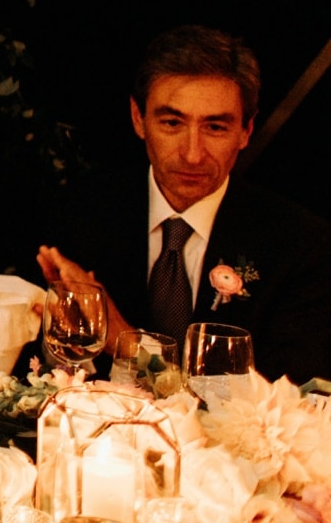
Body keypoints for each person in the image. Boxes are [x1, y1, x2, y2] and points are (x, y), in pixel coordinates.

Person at [37, 24, 331, 384]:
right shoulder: (79, 215)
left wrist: (127, 342)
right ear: (137, 118)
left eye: (215, 128)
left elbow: (287, 404)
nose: (192, 155)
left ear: (246, 131)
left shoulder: (301, 244)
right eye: (173, 123)